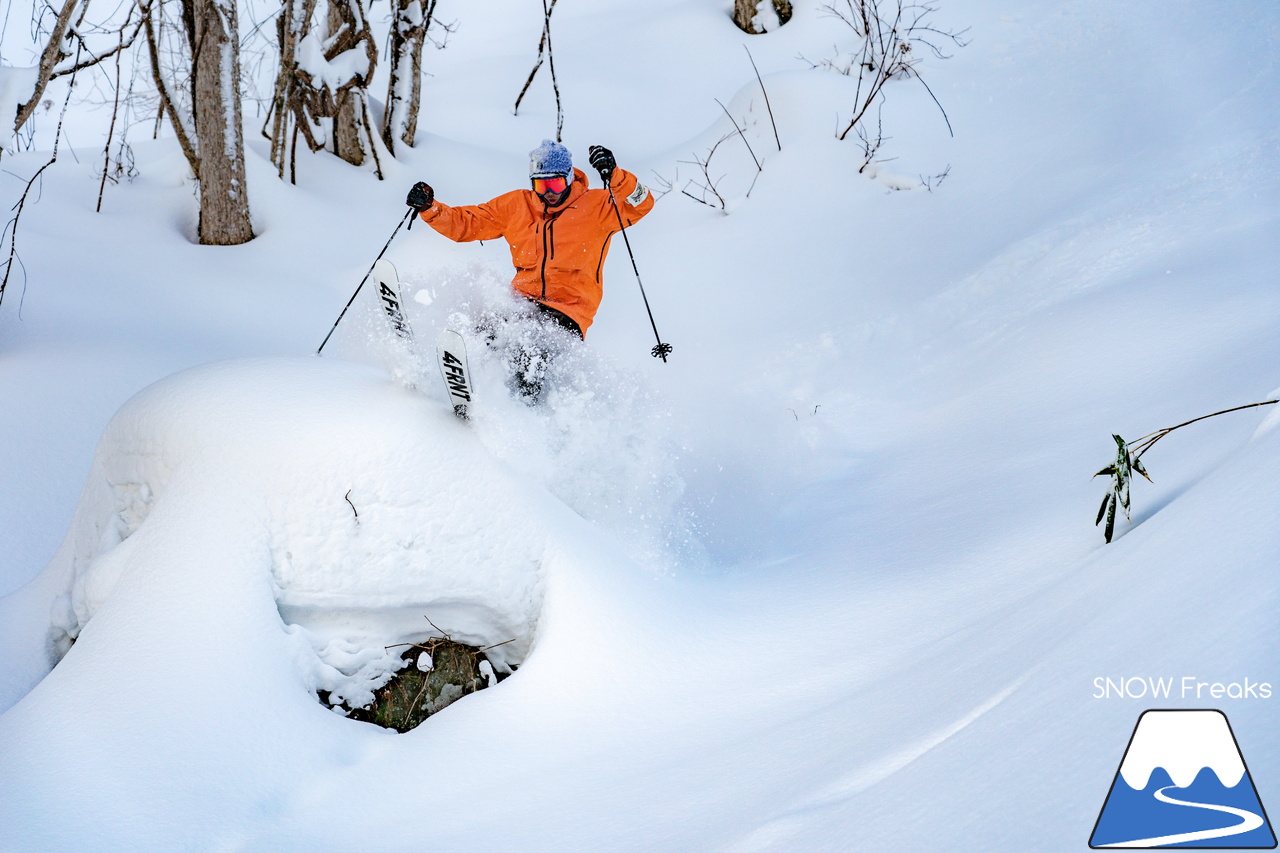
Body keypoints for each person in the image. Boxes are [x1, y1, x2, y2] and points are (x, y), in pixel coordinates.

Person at [405, 140, 655, 399]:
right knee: (488, 331)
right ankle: (466, 386)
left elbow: (643, 203)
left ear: (569, 178)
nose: (548, 192)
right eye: (540, 185)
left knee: (530, 350)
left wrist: (616, 175)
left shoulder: (598, 207)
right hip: (523, 301)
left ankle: (524, 409)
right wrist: (430, 208)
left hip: (569, 311)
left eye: (555, 184)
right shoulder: (517, 206)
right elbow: (467, 224)